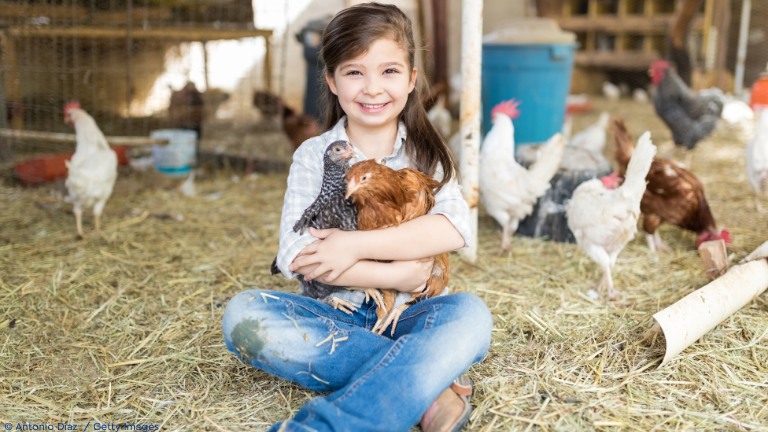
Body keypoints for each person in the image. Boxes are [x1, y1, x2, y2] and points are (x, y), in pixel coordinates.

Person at [222, 3, 492, 431]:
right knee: (243, 315)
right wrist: (398, 276)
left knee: (471, 316)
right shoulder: (314, 156)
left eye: (388, 72)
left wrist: (352, 245)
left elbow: (455, 228)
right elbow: (298, 256)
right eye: (354, 72)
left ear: (411, 80)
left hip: (410, 317)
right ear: (331, 80)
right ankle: (428, 382)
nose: (372, 89)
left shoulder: (425, 154)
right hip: (336, 315)